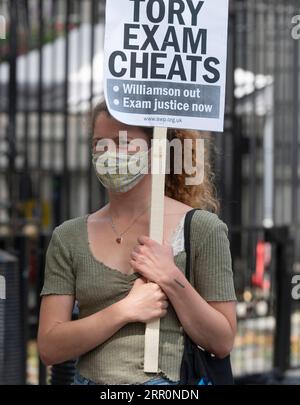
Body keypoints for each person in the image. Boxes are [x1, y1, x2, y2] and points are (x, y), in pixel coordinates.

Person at [37, 100, 237, 385]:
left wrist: (171, 278)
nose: (110, 154)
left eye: (124, 142)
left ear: (156, 150)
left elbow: (222, 340)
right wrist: (125, 310)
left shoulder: (202, 230)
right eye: (100, 143)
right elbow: (49, 347)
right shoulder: (68, 237)